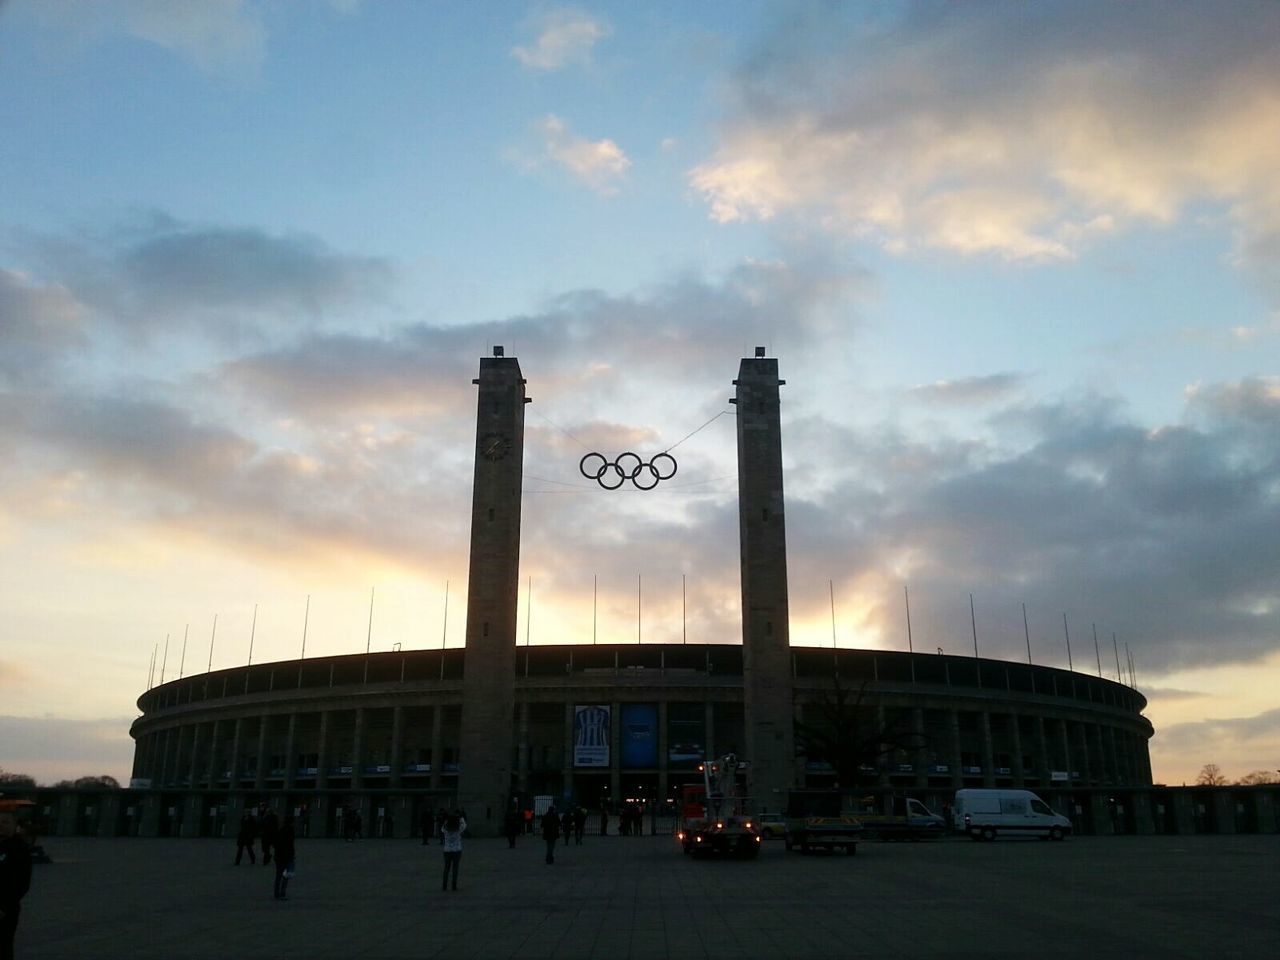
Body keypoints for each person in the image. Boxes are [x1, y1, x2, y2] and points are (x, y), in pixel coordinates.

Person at [0, 812, 33, 960]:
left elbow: (21, 883)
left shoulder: (19, 850)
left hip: (5, 910)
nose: (0, 825)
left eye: (5, 822)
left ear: (15, 826)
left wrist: (3, 907)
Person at [440, 810, 466, 891]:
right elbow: (464, 825)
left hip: (447, 850)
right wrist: (461, 818)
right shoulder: (458, 829)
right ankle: (454, 885)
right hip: (457, 850)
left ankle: (444, 885)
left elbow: (442, 828)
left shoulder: (445, 830)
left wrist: (447, 819)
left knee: (446, 868)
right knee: (455, 868)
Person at [273, 815, 296, 901]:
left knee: (278, 875)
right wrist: (292, 855)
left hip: (278, 856)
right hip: (286, 856)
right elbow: (290, 845)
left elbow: (275, 843)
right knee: (285, 876)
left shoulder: (281, 830)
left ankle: (276, 893)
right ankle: (282, 893)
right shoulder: (290, 831)